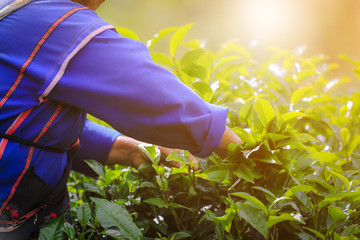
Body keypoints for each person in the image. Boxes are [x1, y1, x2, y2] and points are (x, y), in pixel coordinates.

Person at [0, 0, 241, 238]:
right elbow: (157, 98)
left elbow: (28, 123)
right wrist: (250, 155)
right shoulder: (61, 26)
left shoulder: (16, 8)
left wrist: (131, 150)